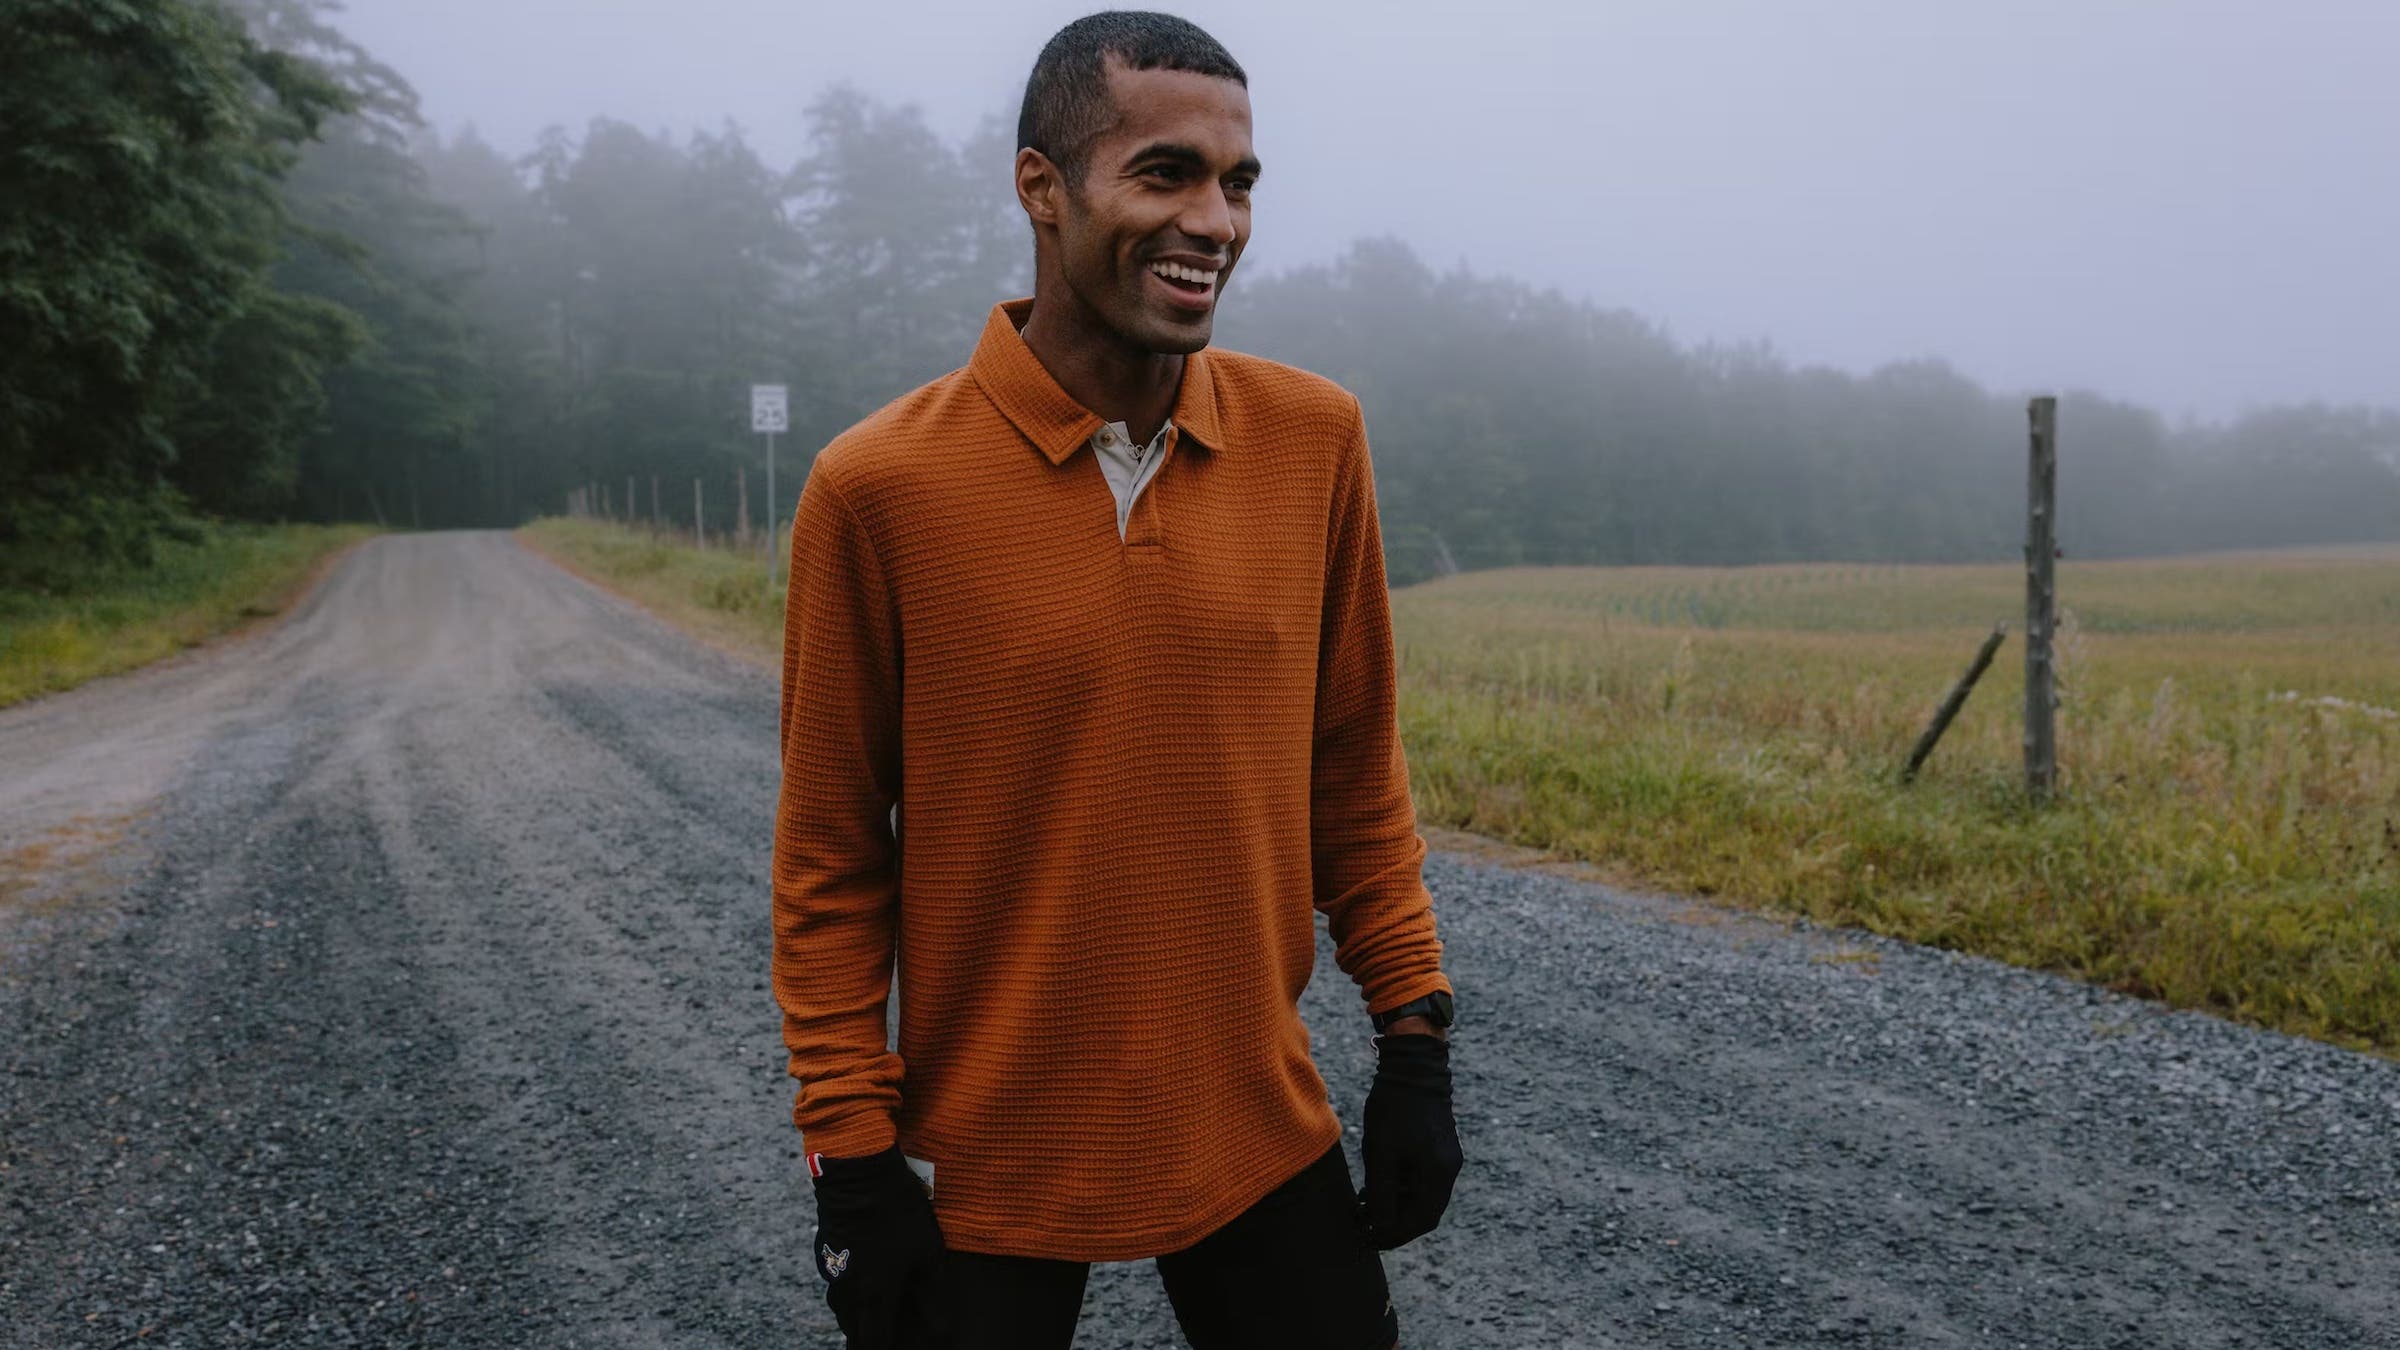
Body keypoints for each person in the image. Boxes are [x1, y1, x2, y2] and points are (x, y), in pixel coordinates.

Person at [771, 11, 1459, 1348]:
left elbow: (1354, 776)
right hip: (986, 1156)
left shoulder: (1316, 440)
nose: (1217, 219)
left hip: (1255, 1127)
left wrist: (1415, 1036)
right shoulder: (877, 488)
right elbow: (830, 858)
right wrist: (848, 1153)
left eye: (1239, 180)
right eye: (1165, 174)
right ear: (1042, 187)